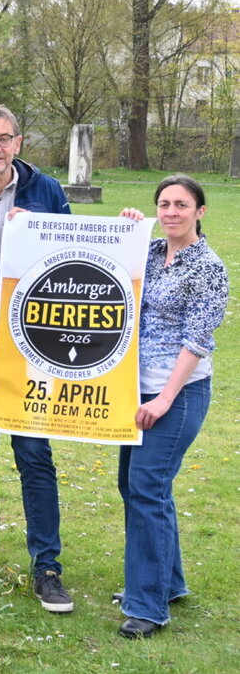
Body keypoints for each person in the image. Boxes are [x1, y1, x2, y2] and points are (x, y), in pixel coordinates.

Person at [0, 105, 74, 613]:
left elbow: (74, 260)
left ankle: (47, 565)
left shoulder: (46, 192)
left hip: (33, 347)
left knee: (34, 456)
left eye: (4, 138)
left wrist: (40, 227)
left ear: (18, 143)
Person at [115, 176, 227, 638]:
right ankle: (168, 583)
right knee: (136, 486)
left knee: (146, 487)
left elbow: (197, 340)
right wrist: (124, 229)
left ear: (200, 211)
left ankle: (148, 606)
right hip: (133, 389)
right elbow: (107, 260)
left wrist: (163, 398)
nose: (172, 212)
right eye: (164, 204)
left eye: (182, 204)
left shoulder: (209, 266)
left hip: (176, 395)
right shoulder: (150, 251)